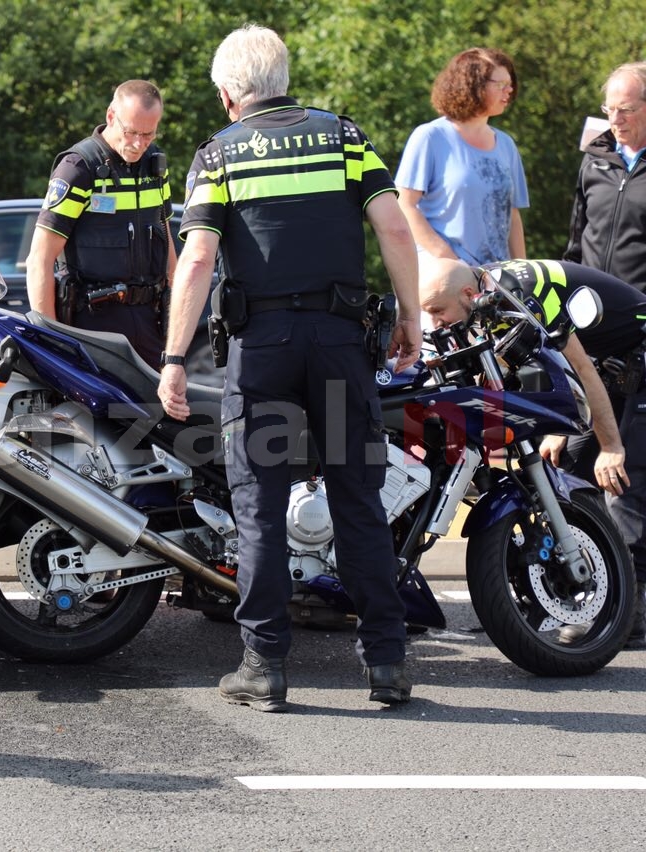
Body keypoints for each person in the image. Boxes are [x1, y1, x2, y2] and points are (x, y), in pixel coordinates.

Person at [156, 24, 423, 711]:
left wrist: (175, 358)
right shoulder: (344, 137)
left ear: (227, 95)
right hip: (340, 341)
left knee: (259, 507)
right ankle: (387, 664)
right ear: (283, 78)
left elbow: (197, 260)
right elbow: (394, 228)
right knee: (359, 502)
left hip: (264, 348)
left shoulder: (219, 154)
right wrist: (411, 319)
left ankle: (264, 667)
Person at [419, 257, 646, 649]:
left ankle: (632, 611)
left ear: (470, 295)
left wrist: (611, 446)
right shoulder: (481, 298)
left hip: (634, 358)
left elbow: (579, 369)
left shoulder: (517, 299)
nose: (435, 322)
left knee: (625, 480)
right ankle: (563, 598)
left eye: (438, 312)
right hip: (607, 365)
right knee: (566, 468)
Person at [25, 79, 177, 366]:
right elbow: (39, 260)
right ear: (111, 116)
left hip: (149, 322)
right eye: (131, 132)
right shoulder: (78, 168)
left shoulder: (155, 164)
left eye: (148, 134)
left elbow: (167, 242)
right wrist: (51, 342)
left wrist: (176, 326)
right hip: (93, 325)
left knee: (154, 410)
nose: (138, 144)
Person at [395, 48, 528, 266]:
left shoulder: (506, 145)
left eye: (510, 84)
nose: (510, 91)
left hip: (497, 279)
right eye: (501, 85)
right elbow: (405, 205)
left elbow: (512, 215)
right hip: (444, 272)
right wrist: (449, 259)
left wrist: (523, 272)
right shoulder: (430, 137)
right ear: (473, 86)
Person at [565, 62, 646, 291]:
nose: (615, 119)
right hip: (592, 309)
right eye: (609, 109)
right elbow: (576, 244)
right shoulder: (594, 159)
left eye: (626, 109)